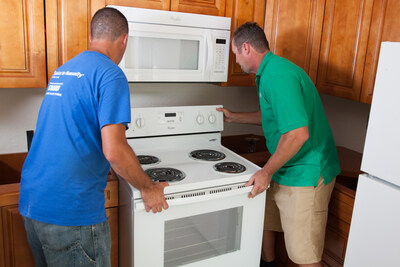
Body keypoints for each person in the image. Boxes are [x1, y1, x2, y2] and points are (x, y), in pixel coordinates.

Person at [18, 7, 169, 267]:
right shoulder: (111, 74)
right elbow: (114, 150)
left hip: (33, 204)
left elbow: (71, 130)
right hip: (71, 212)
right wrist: (148, 187)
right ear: (124, 40)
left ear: (92, 36)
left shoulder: (63, 71)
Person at [217, 22, 340, 267]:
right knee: (266, 222)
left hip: (306, 172)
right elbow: (274, 115)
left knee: (304, 254)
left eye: (235, 54)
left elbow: (296, 134)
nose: (236, 60)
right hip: (287, 166)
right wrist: (234, 117)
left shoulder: (278, 76)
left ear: (246, 48)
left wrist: (266, 172)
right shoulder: (267, 73)